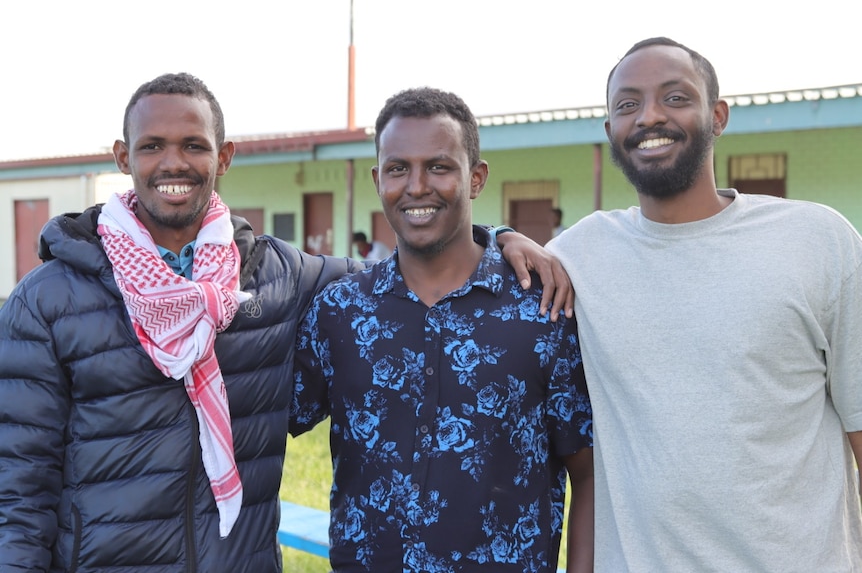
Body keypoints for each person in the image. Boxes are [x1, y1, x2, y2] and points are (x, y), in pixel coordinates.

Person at [0, 73, 573, 572]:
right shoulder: (48, 301)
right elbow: (17, 490)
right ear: (124, 157)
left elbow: (416, 265)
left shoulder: (276, 277)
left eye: (194, 145)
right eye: (153, 146)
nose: (174, 163)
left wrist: (496, 239)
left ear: (222, 158)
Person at [547, 37, 862, 572]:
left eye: (675, 98)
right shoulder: (580, 254)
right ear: (610, 132)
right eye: (627, 105)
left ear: (717, 116)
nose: (649, 117)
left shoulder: (818, 241)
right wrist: (503, 235)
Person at [290, 87, 594, 573]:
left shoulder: (544, 310)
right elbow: (262, 422)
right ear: (377, 179)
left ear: (476, 178)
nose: (416, 186)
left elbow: (589, 472)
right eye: (397, 168)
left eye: (439, 166)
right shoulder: (339, 311)